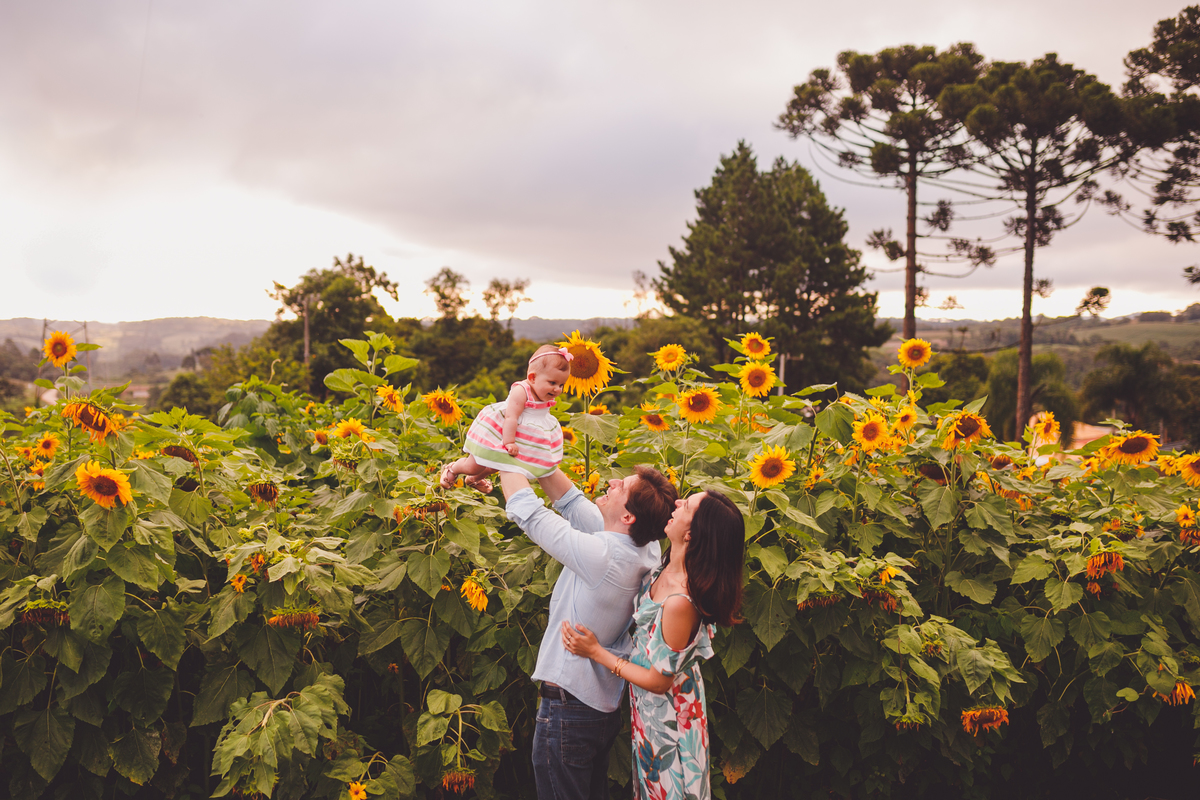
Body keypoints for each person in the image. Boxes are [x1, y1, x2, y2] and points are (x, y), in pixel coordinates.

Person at [498, 466, 678, 800]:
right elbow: (569, 501)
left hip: (568, 711)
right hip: (596, 709)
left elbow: (530, 514)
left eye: (621, 486)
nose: (612, 482)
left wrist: (501, 455)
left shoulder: (604, 556)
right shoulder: (645, 547)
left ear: (628, 517)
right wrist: (537, 454)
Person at [561, 489, 745, 800]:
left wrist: (596, 652)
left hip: (670, 720)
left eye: (686, 505)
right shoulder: (665, 565)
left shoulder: (680, 602)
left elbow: (660, 681)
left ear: (691, 534)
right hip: (651, 713)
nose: (677, 503)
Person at [441, 344, 571, 493]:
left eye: (561, 384)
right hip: (502, 432)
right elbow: (511, 417)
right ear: (532, 378)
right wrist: (509, 442)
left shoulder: (545, 393)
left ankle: (474, 479)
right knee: (473, 465)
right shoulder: (521, 391)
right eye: (552, 383)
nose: (557, 389)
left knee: (498, 465)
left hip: (521, 435)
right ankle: (453, 469)